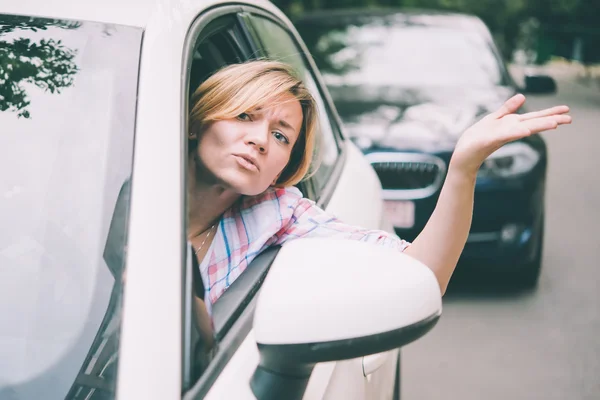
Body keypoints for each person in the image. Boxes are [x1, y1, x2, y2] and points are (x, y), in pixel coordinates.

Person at [187, 59, 571, 316]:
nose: (260, 141)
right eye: (243, 115)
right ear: (197, 121)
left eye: (280, 135)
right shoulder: (129, 178)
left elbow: (422, 275)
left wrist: (464, 166)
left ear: (279, 173)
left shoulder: (278, 214)